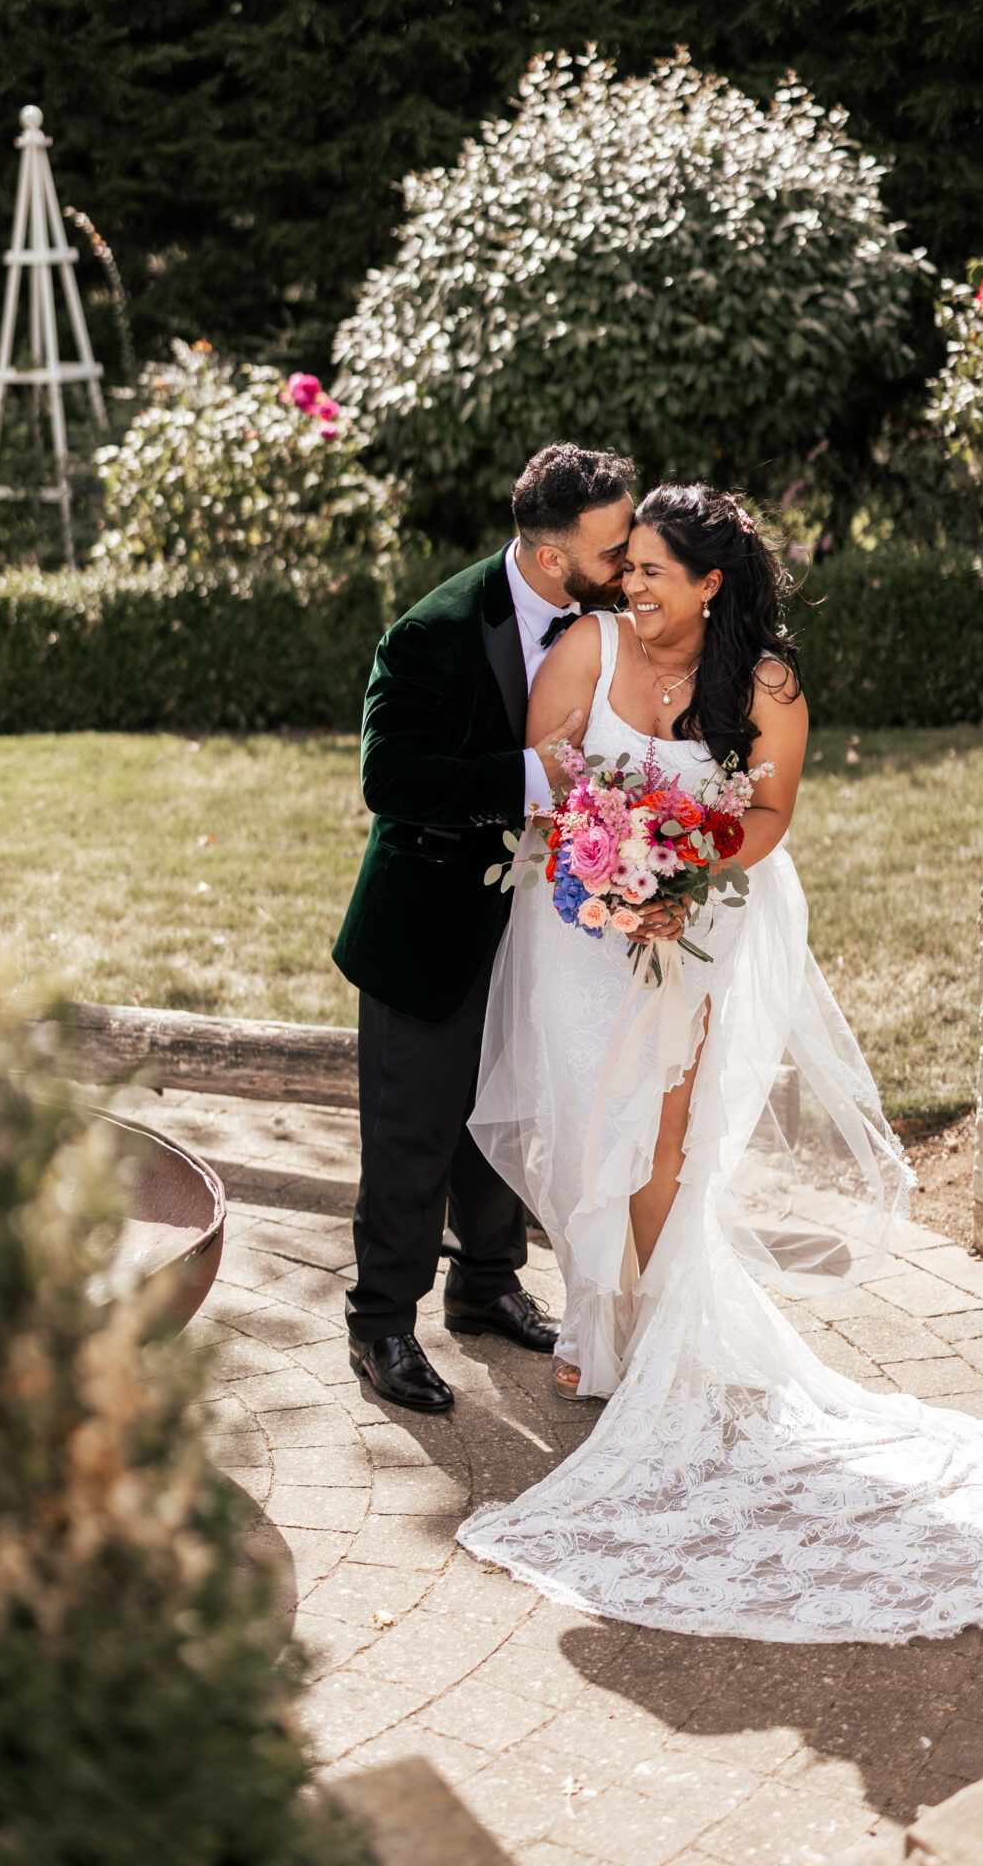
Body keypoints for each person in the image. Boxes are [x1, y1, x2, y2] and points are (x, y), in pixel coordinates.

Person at [459, 484, 983, 1644]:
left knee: (660, 1131)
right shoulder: (585, 645)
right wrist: (605, 856)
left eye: (657, 569)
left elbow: (767, 814)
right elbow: (549, 777)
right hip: (574, 929)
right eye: (633, 567)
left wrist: (674, 874)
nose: (636, 584)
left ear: (713, 583)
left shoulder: (762, 684)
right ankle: (595, 1317)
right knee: (583, 1113)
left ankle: (652, 1336)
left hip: (696, 926)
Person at [332, 442, 636, 1412]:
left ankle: (486, 1280)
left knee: (508, 1109)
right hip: (424, 930)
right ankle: (381, 1322)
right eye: (614, 543)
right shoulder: (431, 633)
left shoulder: (612, 621)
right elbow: (391, 780)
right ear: (553, 558)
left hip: (542, 926)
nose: (629, 557)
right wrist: (531, 777)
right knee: (414, 1133)